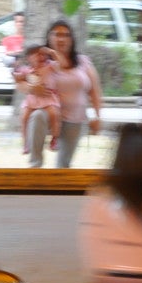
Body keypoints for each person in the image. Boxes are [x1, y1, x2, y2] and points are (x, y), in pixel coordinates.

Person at [30, 18, 103, 170]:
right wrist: (31, 88)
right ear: (49, 37)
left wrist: (97, 116)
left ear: (72, 39)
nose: (61, 38)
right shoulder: (41, 60)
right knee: (37, 116)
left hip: (75, 119)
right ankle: (35, 166)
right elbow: (22, 80)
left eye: (65, 35)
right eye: (56, 34)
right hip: (49, 114)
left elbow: (95, 91)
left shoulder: (83, 62)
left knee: (63, 166)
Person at [14, 45, 63, 157]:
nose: (40, 57)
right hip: (33, 98)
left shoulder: (50, 66)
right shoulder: (27, 70)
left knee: (54, 114)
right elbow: (19, 80)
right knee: (24, 117)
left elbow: (61, 64)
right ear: (28, 58)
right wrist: (17, 74)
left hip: (48, 96)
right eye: (36, 55)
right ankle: (26, 143)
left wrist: (52, 52)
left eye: (43, 54)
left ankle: (55, 139)